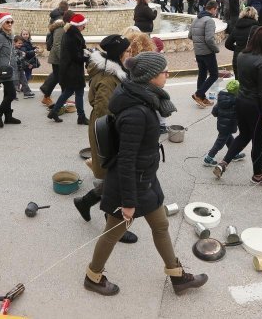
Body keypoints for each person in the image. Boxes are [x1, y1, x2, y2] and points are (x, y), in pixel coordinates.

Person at [83, 52, 207, 297]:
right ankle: (92, 276)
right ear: (150, 77)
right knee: (112, 233)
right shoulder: (136, 113)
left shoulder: (139, 96)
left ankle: (177, 276)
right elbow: (127, 160)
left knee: (160, 224)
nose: (167, 74)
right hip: (131, 184)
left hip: (146, 178)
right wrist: (128, 202)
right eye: (163, 72)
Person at [73, 35, 139, 244]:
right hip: (107, 133)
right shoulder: (108, 79)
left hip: (111, 129)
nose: (131, 54)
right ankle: (114, 227)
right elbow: (104, 113)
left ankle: (85, 202)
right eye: (128, 52)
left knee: (113, 179)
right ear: (119, 55)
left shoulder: (117, 73)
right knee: (116, 180)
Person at [215, 26, 262, 183]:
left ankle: (224, 162)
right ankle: (257, 175)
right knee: (258, 142)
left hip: (241, 100)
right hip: (256, 106)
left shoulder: (242, 55)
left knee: (244, 135)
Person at [48, 14, 90, 124]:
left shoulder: (71, 33)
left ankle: (54, 112)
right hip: (73, 70)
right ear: (79, 25)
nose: (85, 26)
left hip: (70, 69)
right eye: (84, 25)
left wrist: (85, 52)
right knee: (79, 93)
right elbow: (76, 56)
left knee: (68, 92)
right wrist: (87, 57)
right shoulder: (73, 36)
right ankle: (81, 117)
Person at [202, 79, 246, 167]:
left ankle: (234, 153)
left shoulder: (221, 97)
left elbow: (214, 111)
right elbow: (240, 114)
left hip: (221, 125)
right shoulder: (236, 101)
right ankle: (209, 157)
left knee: (228, 138)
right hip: (229, 126)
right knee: (220, 142)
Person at [0, 12, 22, 128]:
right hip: (4, 70)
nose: (10, 24)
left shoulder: (9, 35)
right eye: (7, 22)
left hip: (10, 69)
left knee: (7, 94)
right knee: (12, 94)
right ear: (2, 23)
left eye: (11, 22)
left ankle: (8, 117)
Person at [190, 1, 220, 107]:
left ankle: (201, 97)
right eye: (216, 9)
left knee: (202, 74)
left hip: (198, 52)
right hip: (207, 52)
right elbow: (209, 39)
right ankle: (198, 94)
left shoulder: (196, 19)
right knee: (214, 74)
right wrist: (216, 49)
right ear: (212, 9)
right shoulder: (209, 21)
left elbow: (190, 35)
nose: (216, 11)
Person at [40, 13, 71, 106]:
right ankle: (46, 97)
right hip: (57, 59)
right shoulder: (60, 29)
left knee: (61, 78)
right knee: (57, 78)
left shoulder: (65, 28)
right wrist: (63, 58)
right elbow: (57, 44)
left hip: (60, 58)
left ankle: (64, 98)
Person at [224, 6, 258, 80]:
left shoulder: (237, 27)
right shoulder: (256, 28)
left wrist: (237, 48)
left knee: (238, 82)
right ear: (255, 15)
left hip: (237, 58)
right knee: (250, 84)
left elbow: (227, 44)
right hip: (251, 59)